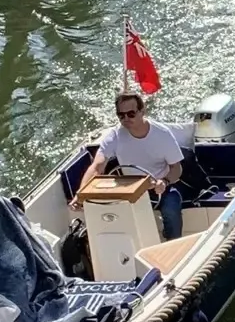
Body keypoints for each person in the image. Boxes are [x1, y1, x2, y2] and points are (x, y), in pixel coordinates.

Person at [74, 91, 187, 240]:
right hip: (128, 188)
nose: (126, 119)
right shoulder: (115, 136)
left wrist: (164, 182)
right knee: (107, 212)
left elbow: (176, 168)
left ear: (142, 111)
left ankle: (173, 245)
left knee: (171, 208)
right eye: (121, 115)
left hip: (160, 187)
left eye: (131, 114)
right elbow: (97, 166)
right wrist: (80, 194)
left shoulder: (162, 134)